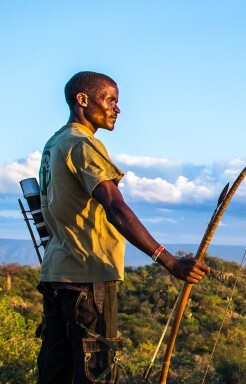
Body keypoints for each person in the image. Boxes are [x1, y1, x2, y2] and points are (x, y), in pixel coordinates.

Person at [37, 71, 210, 384]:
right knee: (97, 373)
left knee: (56, 372)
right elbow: (116, 207)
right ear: (83, 100)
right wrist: (169, 261)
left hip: (56, 275)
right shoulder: (84, 145)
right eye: (110, 100)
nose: (116, 109)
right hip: (87, 276)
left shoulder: (54, 143)